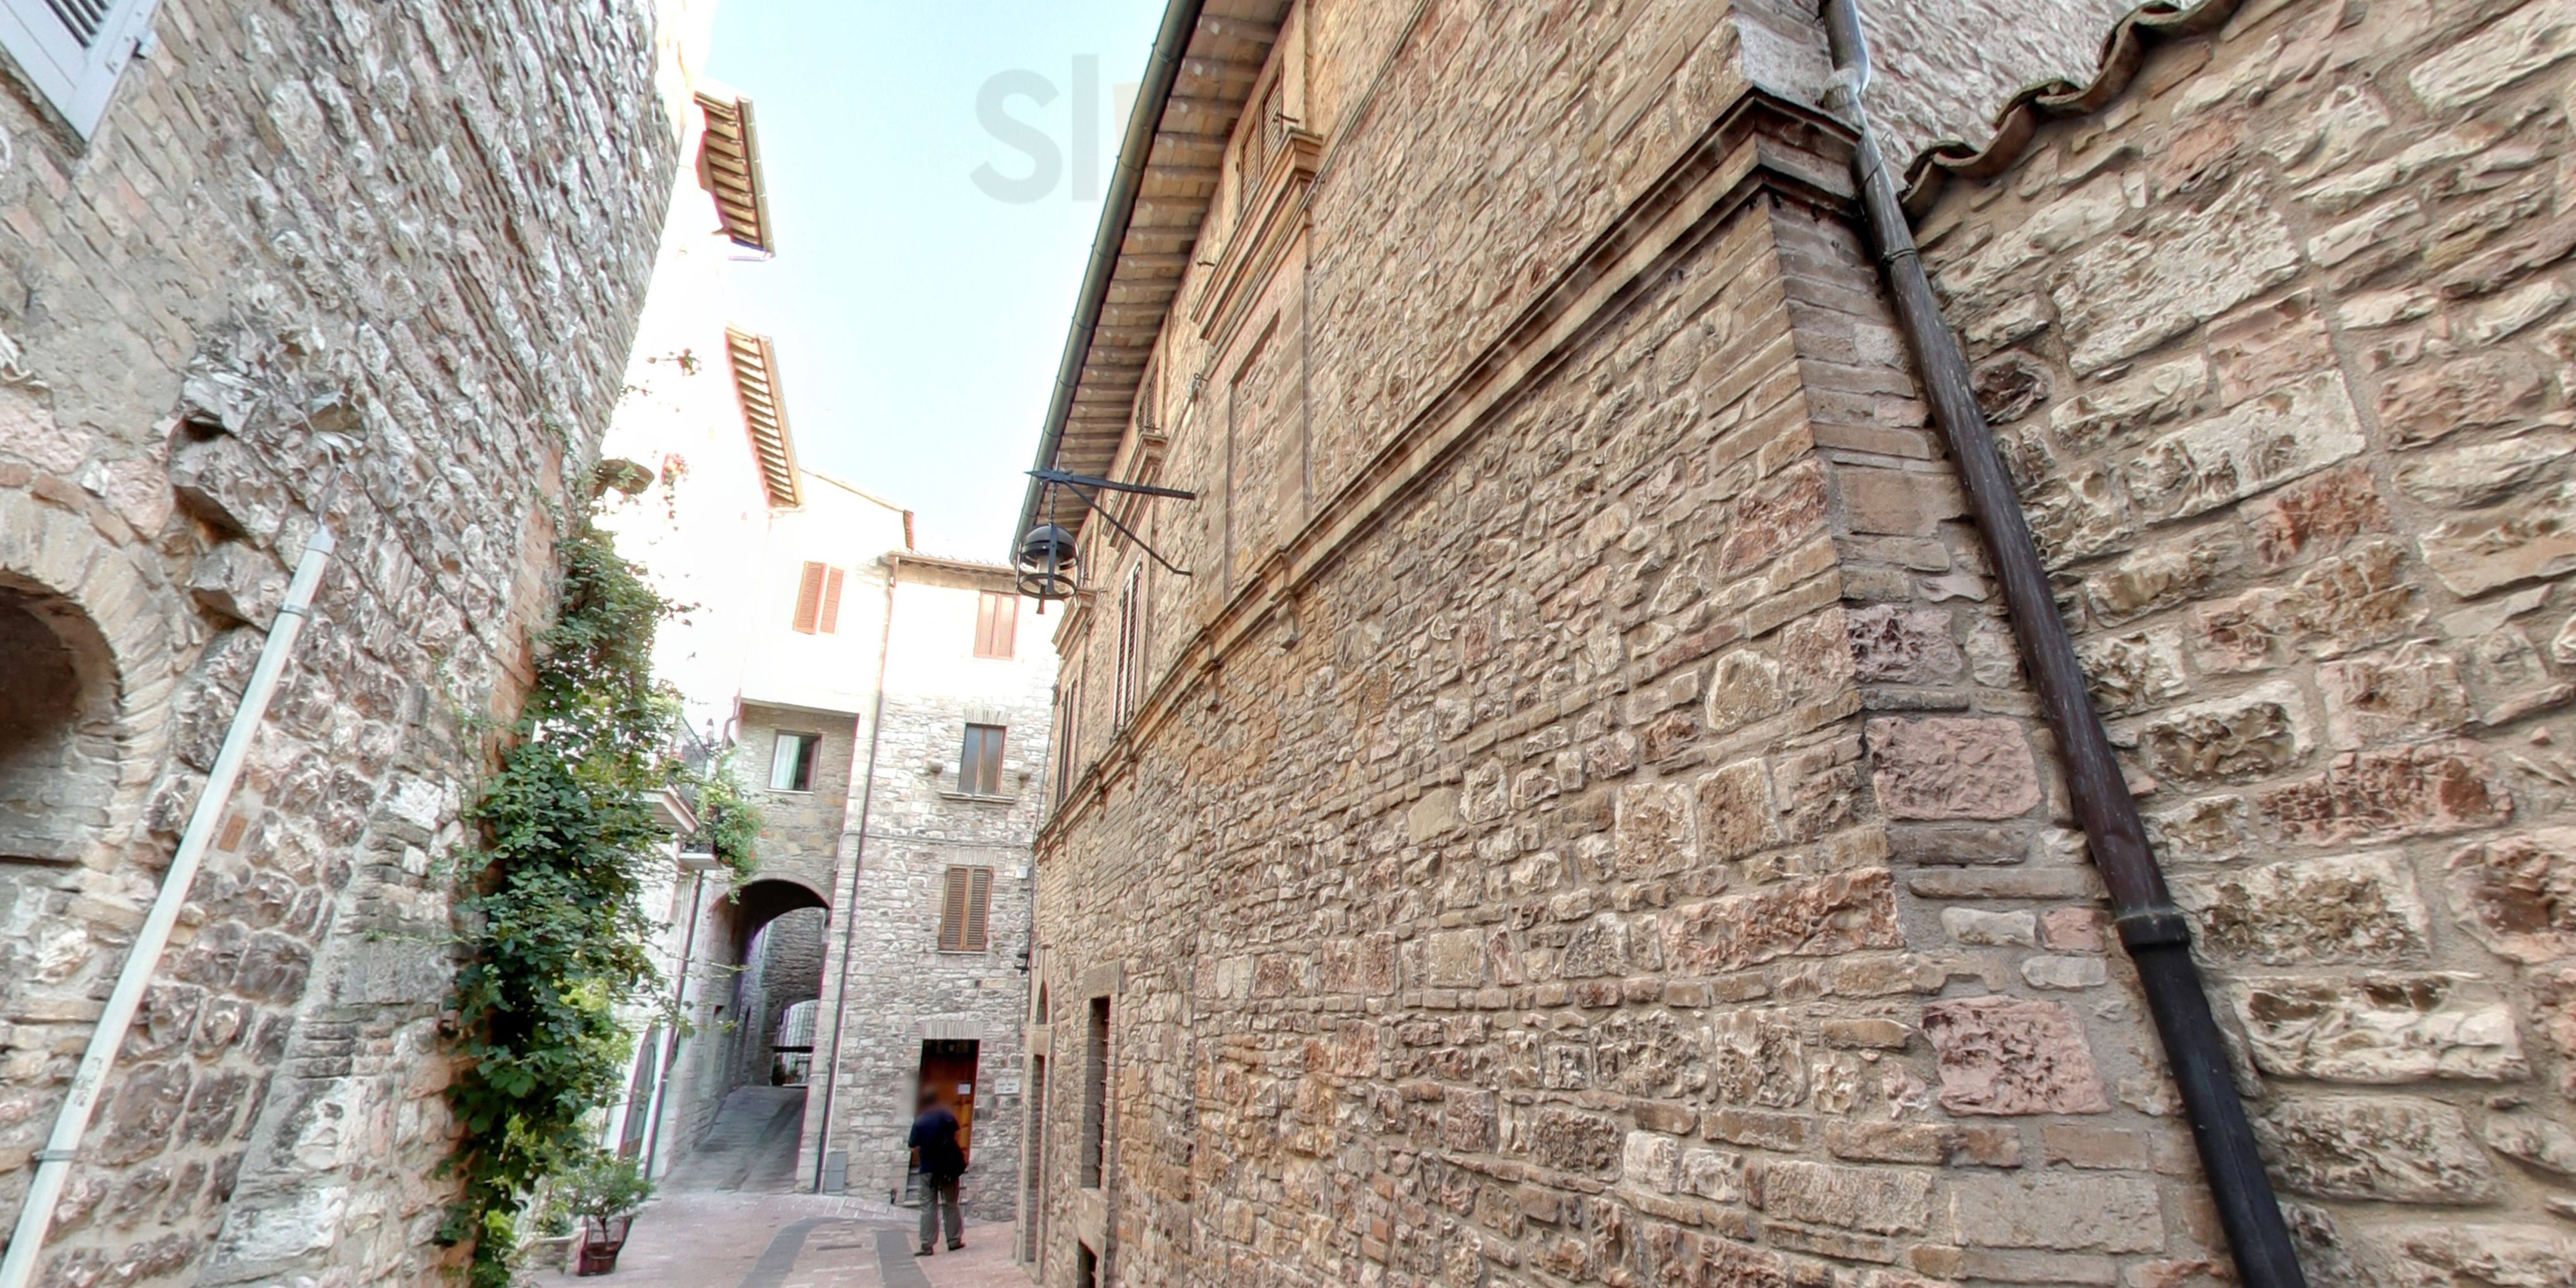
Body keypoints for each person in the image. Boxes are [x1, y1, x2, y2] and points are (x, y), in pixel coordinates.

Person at [908, 1089, 966, 1255]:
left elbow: (913, 1143)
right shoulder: (946, 1116)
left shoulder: (920, 1121)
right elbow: (956, 1133)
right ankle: (954, 1240)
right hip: (948, 1168)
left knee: (928, 1206)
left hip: (928, 1168)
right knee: (951, 1204)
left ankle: (927, 1244)